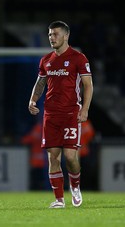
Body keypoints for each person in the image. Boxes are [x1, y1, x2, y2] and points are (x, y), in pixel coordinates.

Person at [28, 20, 93, 208]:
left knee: (71, 157)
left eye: (55, 34)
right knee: (53, 157)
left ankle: (75, 187)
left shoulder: (79, 58)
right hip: (50, 115)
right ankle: (59, 199)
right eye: (49, 34)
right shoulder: (46, 60)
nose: (51, 37)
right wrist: (32, 100)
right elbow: (40, 83)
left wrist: (85, 109)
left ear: (66, 36)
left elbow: (88, 85)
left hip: (71, 113)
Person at [20, 119, 49, 190]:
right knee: (43, 180)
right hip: (45, 161)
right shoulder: (49, 128)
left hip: (39, 162)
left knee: (37, 181)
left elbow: (27, 140)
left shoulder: (37, 128)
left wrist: (20, 140)